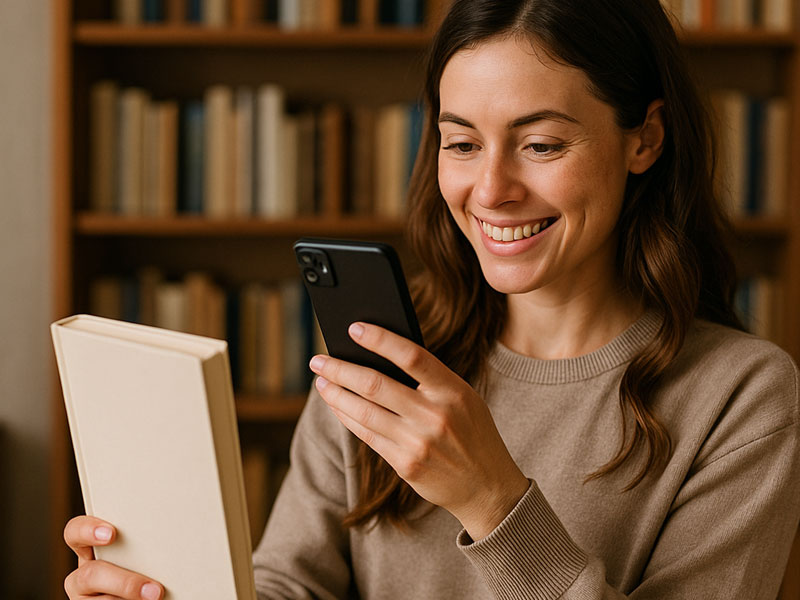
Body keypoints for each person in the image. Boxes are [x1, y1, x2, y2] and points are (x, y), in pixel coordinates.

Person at [64, 1, 800, 598]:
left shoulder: (743, 398)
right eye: (461, 143)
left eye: (541, 145)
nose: (490, 191)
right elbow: (292, 582)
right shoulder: (384, 357)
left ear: (645, 140)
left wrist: (492, 501)